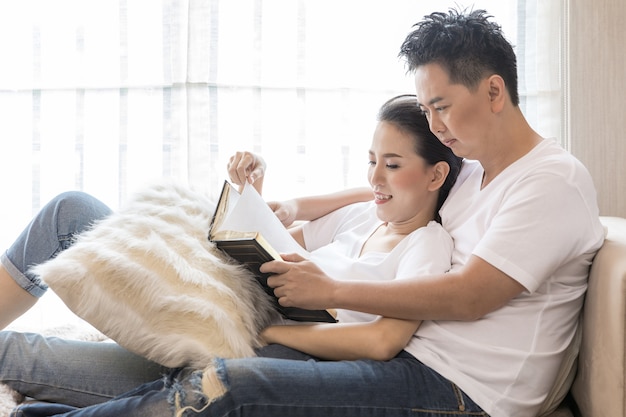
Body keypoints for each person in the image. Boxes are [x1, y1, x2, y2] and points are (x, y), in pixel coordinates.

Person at [14, 7, 604, 417]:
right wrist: (300, 205)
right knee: (208, 359)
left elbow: (473, 295)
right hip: (407, 355)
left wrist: (331, 286)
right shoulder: (469, 170)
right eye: (426, 109)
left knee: (234, 386)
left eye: (443, 107)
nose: (435, 126)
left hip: (463, 392)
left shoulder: (551, 181)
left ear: (495, 92)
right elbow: (390, 192)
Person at [0, 94, 463, 415]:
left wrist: (269, 336)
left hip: (265, 358)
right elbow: (268, 242)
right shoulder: (362, 216)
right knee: (70, 210)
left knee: (31, 360)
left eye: (393, 165)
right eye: (372, 160)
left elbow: (382, 342)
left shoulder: (429, 245)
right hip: (224, 316)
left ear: (435, 175)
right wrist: (254, 191)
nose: (375, 178)